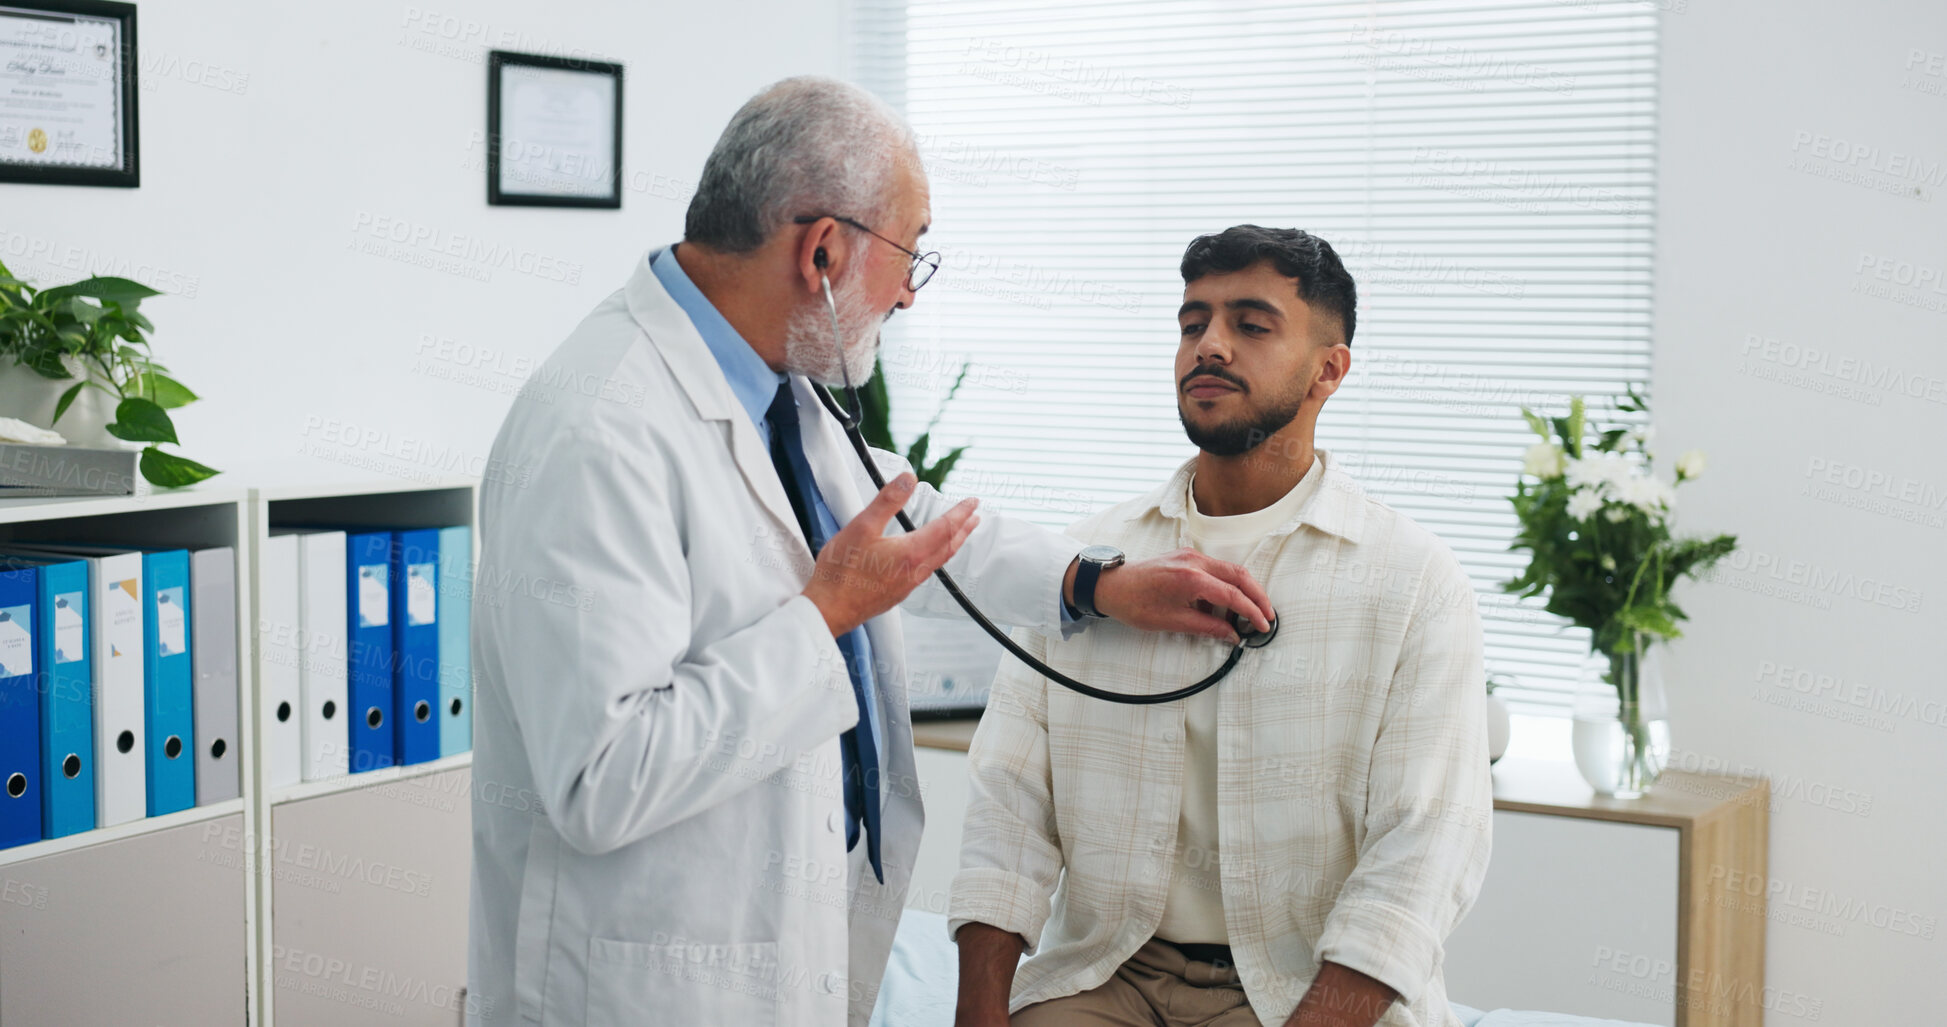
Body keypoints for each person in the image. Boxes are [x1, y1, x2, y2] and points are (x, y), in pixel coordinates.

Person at [465, 78, 1275, 1027]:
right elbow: (599, 779)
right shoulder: (601, 427)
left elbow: (905, 521)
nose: (908, 294)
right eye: (910, 254)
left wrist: (1097, 582)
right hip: (640, 987)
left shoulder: (775, 389)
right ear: (822, 250)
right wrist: (821, 618)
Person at [950, 225, 1492, 1027]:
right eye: (1191, 321)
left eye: (1251, 324)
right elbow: (1009, 801)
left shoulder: (1413, 581)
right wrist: (979, 1012)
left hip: (1300, 985)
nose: (1209, 345)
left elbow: (1427, 845)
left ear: (1328, 369)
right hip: (1109, 975)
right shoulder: (1089, 566)